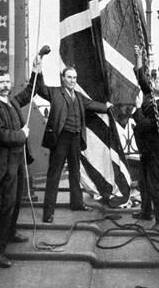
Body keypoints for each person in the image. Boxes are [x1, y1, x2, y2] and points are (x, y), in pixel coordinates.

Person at [0, 57, 42, 268]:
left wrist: (36, 71)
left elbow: (28, 92)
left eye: (8, 82)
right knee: (7, 205)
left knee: (17, 201)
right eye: (1, 82)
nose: (6, 85)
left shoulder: (12, 101)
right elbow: (1, 135)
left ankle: (10, 233)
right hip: (5, 163)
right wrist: (22, 134)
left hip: (18, 160)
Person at [37, 66, 113, 223]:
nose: (72, 80)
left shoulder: (78, 96)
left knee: (75, 172)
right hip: (60, 139)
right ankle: (48, 213)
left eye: (74, 78)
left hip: (76, 139)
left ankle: (76, 203)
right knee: (54, 175)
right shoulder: (55, 92)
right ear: (63, 78)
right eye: (69, 77)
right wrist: (38, 72)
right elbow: (40, 89)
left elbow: (91, 105)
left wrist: (107, 107)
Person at [131, 46, 159, 229]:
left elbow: (144, 125)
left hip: (155, 152)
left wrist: (138, 108)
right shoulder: (152, 96)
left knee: (155, 185)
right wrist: (139, 57)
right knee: (144, 182)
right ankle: (146, 212)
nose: (155, 81)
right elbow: (142, 79)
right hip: (146, 149)